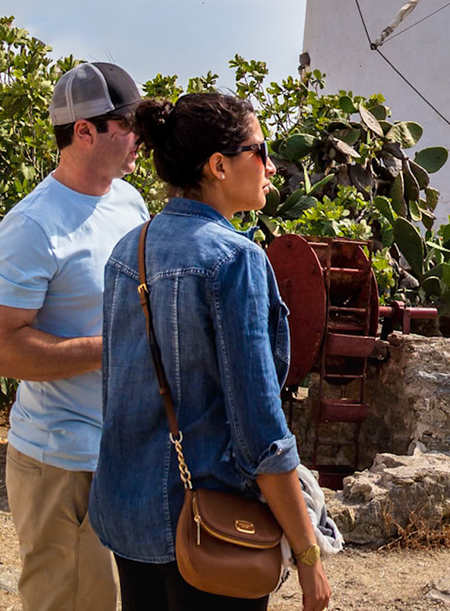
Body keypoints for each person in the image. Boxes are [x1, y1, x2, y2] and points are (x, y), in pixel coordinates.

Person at [88, 93, 332, 611]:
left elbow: (118, 394)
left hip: (127, 513)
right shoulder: (235, 260)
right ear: (219, 166)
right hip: (213, 524)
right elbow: (261, 432)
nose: (270, 166)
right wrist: (308, 553)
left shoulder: (127, 251)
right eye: (259, 150)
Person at [0, 61, 149, 611]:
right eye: (127, 126)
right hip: (63, 460)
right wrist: (114, 350)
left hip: (121, 454)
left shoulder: (128, 202)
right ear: (84, 131)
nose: (139, 140)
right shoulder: (33, 225)